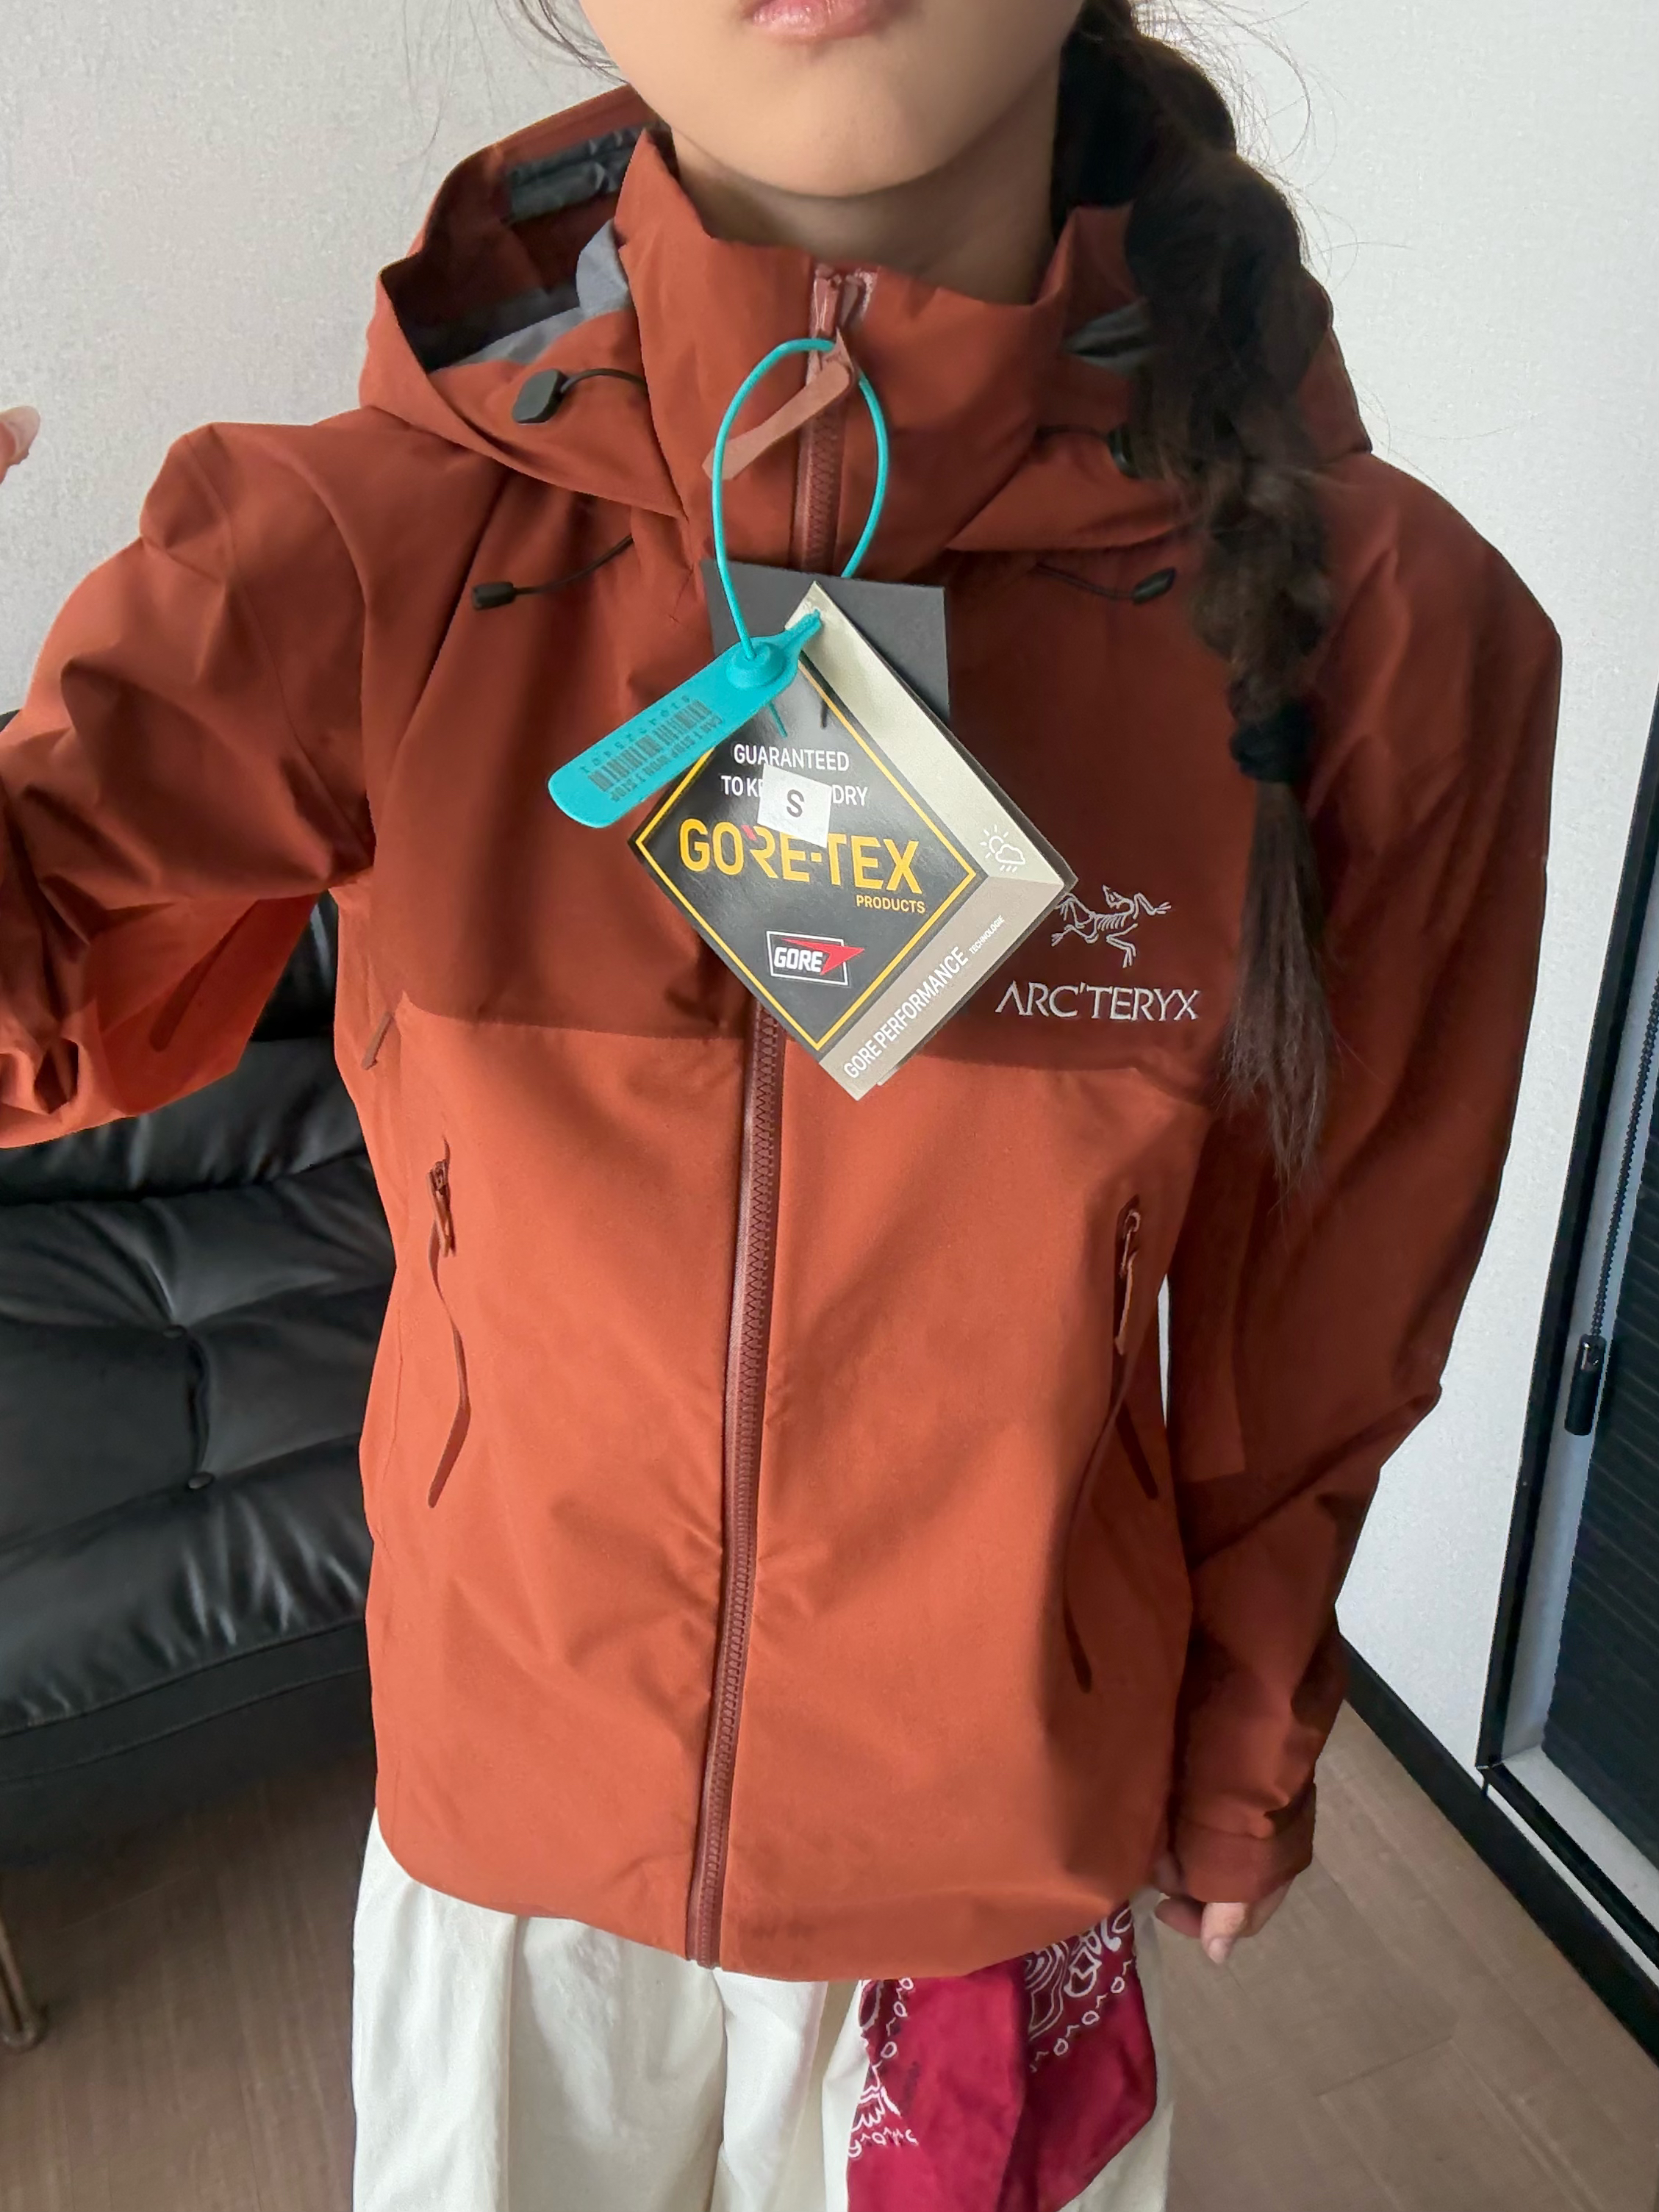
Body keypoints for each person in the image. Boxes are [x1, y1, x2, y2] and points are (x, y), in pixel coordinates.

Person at [3, 2, 1559, 2206]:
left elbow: (1339, 1291)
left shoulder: (1382, 637)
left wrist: (1244, 1738)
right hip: (508, 1871)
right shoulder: (345, 553)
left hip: (987, 1887)